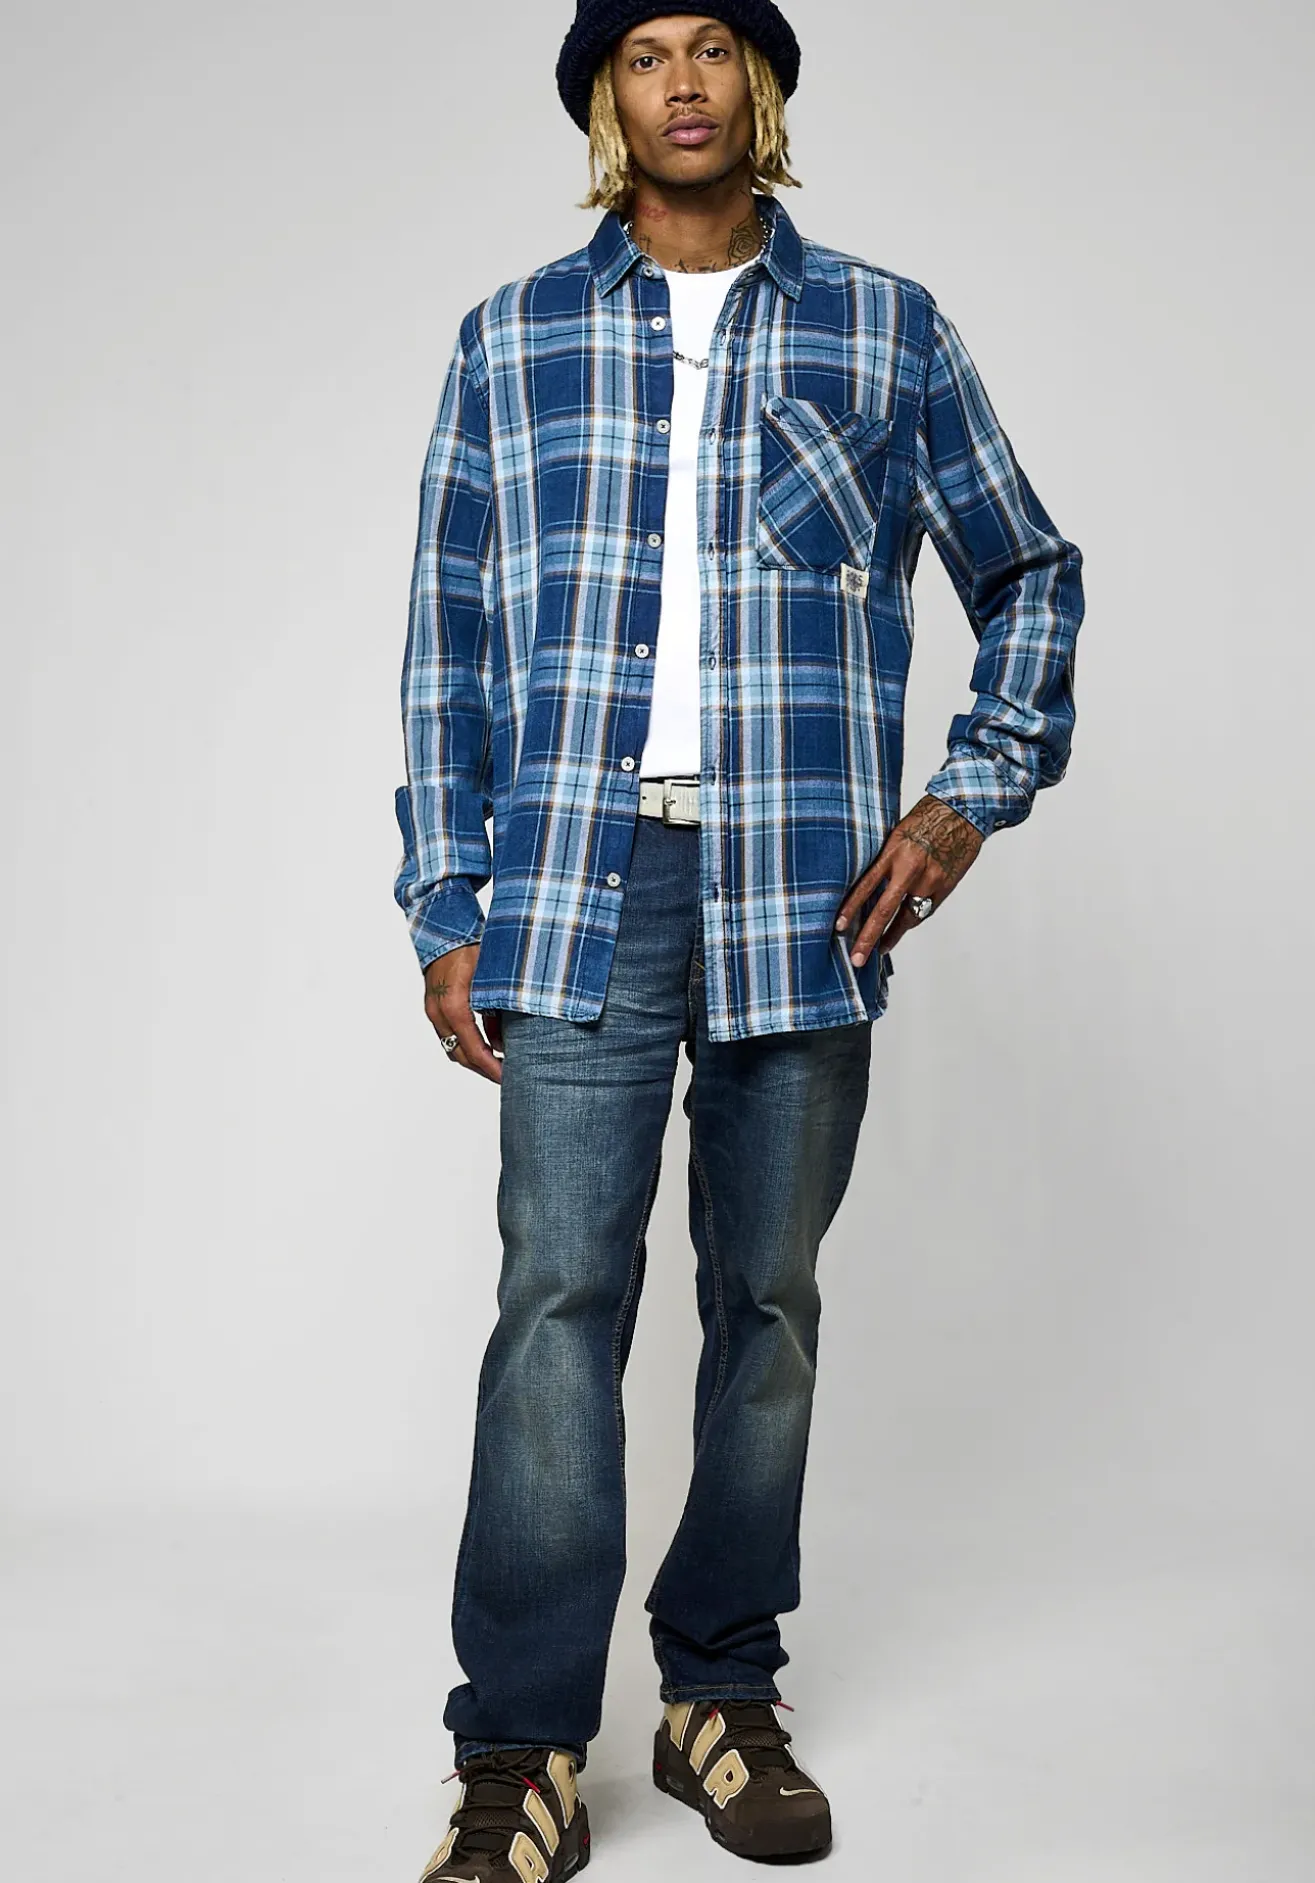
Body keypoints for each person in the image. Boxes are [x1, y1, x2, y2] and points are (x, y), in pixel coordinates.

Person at [395, 5, 1085, 1874]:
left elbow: (1027, 570)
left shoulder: (884, 326)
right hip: (575, 881)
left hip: (802, 889)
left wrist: (963, 797)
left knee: (763, 1303)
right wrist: (445, 896)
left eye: (713, 46)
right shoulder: (511, 338)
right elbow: (451, 632)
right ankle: (521, 1744)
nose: (682, 81)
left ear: (758, 86)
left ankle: (718, 1688)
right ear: (603, 99)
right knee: (557, 1300)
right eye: (643, 55)